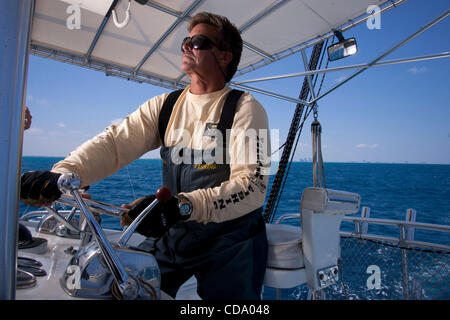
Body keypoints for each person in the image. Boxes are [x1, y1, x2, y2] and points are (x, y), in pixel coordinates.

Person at [20, 12, 270, 300]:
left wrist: (181, 207)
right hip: (176, 235)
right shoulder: (165, 105)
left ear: (225, 56)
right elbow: (114, 143)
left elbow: (253, 186)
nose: (186, 46)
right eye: (186, 41)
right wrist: (63, 174)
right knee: (123, 291)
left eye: (198, 42)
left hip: (232, 244)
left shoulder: (246, 109)